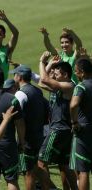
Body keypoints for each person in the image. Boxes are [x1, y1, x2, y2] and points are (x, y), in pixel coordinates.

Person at [38, 54, 78, 190]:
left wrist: (42, 61)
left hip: (58, 130)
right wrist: (50, 65)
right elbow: (41, 83)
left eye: (56, 71)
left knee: (41, 163)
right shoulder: (58, 87)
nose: (53, 72)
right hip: (64, 131)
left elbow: (43, 78)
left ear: (65, 74)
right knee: (64, 165)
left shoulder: (68, 85)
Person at [10, 65, 48, 190]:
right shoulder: (37, 90)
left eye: (14, 74)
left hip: (27, 139)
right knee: (36, 168)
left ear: (19, 77)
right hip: (38, 135)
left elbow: (14, 114)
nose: (13, 76)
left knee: (28, 172)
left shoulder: (20, 94)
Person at [70, 58, 92, 190]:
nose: (76, 74)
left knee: (83, 170)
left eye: (76, 72)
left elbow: (73, 105)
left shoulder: (81, 86)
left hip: (84, 131)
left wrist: (74, 122)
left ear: (82, 72)